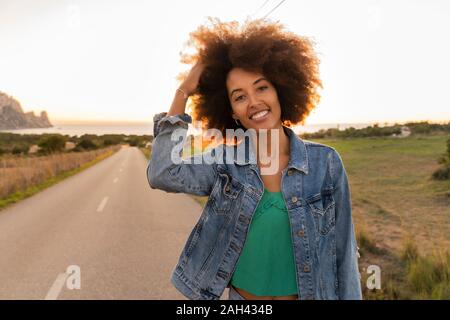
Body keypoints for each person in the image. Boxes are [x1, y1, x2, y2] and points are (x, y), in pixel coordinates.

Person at [147, 17, 362, 300]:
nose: (254, 102)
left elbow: (343, 253)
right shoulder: (226, 162)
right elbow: (163, 171)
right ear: (233, 112)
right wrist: (183, 90)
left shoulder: (326, 164)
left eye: (262, 88)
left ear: (280, 90)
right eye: (239, 97)